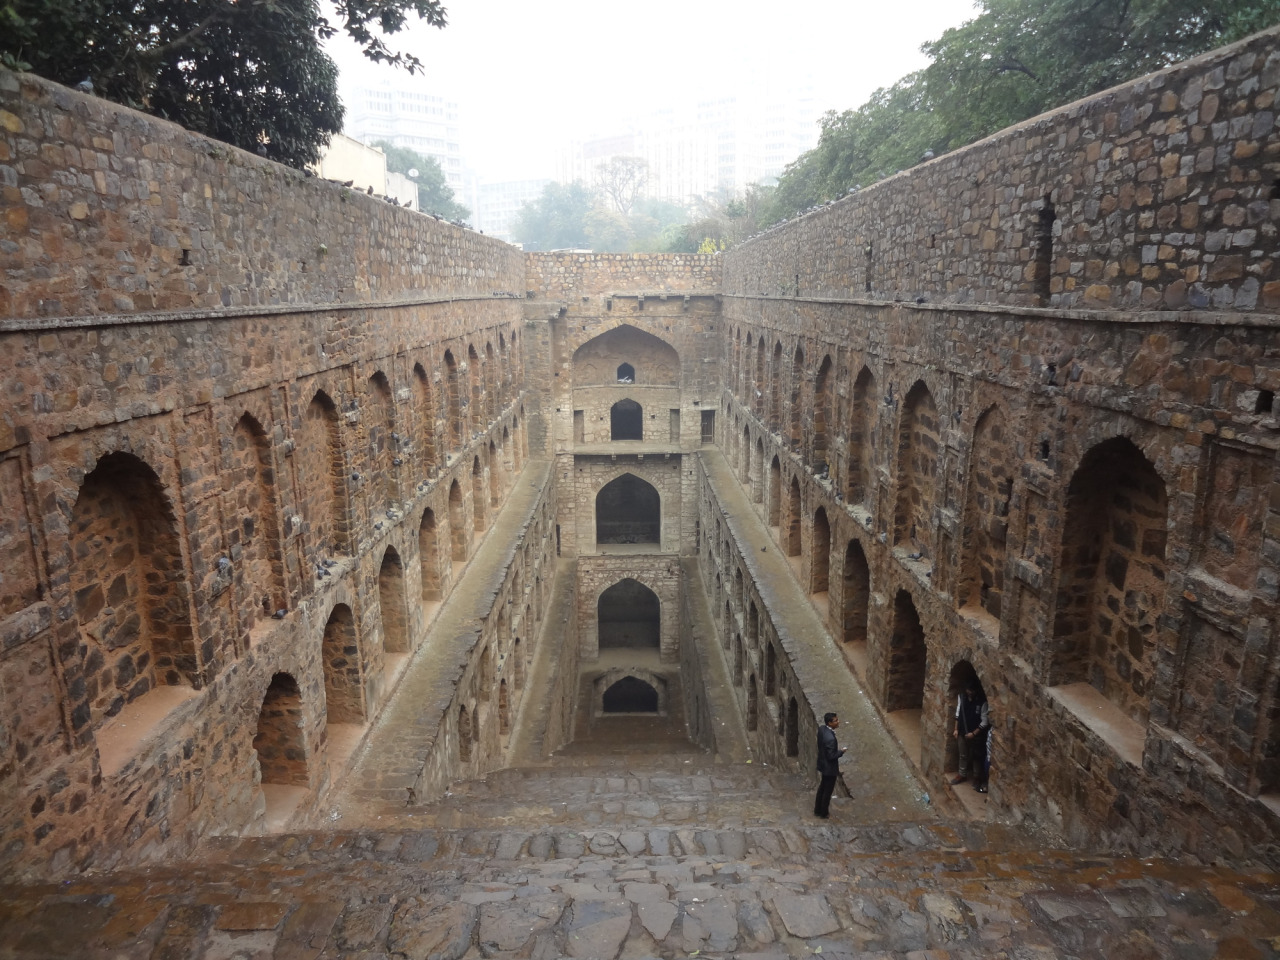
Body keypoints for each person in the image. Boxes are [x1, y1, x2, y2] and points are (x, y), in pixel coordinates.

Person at [951, 682, 989, 788]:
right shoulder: (962, 698)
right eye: (968, 690)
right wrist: (956, 729)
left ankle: (977, 777)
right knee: (963, 754)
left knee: (976, 756)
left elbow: (984, 722)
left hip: (975, 736)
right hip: (962, 731)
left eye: (971, 691)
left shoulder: (982, 703)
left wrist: (974, 733)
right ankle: (962, 774)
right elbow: (958, 714)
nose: (969, 693)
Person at [814, 712, 845, 818]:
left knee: (822, 787)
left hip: (822, 763)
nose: (838, 722)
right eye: (835, 720)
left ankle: (817, 809)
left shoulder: (822, 729)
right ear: (829, 723)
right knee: (827, 791)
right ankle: (823, 813)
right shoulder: (830, 739)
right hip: (829, 768)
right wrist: (841, 752)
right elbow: (831, 756)